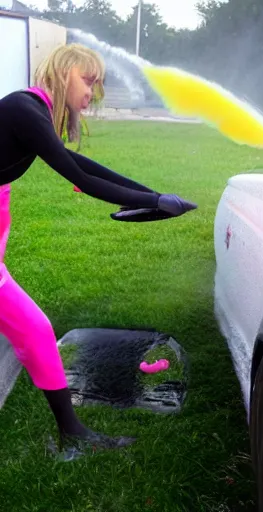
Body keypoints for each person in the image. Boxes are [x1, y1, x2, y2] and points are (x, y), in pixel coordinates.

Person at [0, 43, 197, 452]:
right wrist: (154, 202)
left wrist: (155, 195)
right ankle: (73, 434)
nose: (91, 93)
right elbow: (80, 177)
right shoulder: (23, 108)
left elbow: (83, 166)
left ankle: (73, 434)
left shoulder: (31, 115)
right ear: (66, 70)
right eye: (88, 81)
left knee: (35, 330)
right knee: (33, 327)